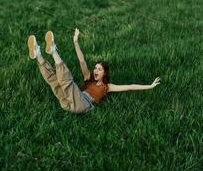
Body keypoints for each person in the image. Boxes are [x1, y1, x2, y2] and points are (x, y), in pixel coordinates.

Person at [27, 28, 161, 114]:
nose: (96, 71)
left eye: (99, 69)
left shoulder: (107, 87)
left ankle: (53, 51)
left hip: (83, 104)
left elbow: (130, 87)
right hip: (67, 104)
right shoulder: (88, 78)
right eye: (95, 68)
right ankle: (38, 54)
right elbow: (82, 60)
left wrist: (150, 86)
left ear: (104, 73)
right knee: (55, 82)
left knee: (67, 82)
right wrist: (75, 42)